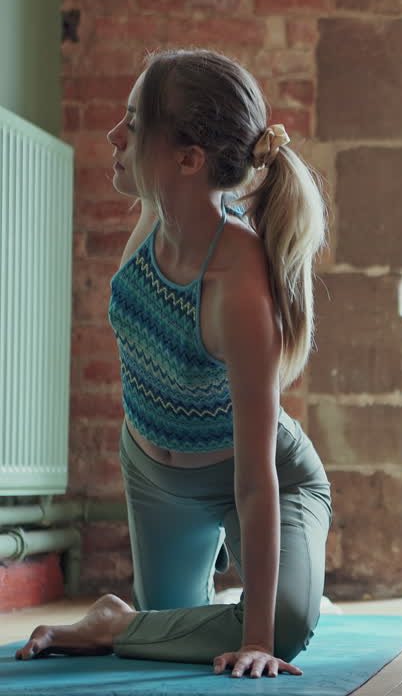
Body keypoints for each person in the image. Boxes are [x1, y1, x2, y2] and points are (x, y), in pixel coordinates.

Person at [14, 49, 331, 680]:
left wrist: (261, 638)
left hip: (261, 475)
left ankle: (122, 622)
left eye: (132, 123)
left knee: (287, 627)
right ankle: (130, 618)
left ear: (188, 160)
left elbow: (257, 477)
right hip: (155, 477)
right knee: (175, 627)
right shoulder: (159, 211)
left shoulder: (239, 290)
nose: (114, 135)